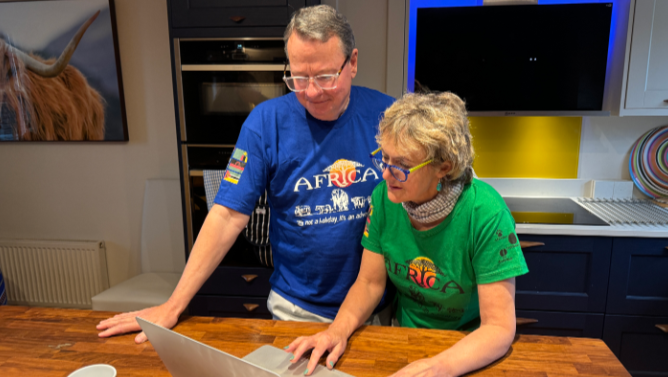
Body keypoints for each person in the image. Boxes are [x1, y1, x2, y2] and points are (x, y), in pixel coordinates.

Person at [96, 5, 395, 343]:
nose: (311, 92)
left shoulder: (389, 116)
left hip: (375, 311)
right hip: (296, 312)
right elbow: (225, 216)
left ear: (352, 62)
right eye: (298, 77)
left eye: (326, 77)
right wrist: (174, 305)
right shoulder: (265, 123)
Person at [285, 92, 529, 377]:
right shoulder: (385, 199)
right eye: (384, 159)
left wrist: (439, 366)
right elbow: (368, 283)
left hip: (468, 350)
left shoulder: (485, 212)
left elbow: (498, 328)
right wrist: (335, 331)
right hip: (404, 339)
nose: (386, 175)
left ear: (444, 167)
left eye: (401, 166)